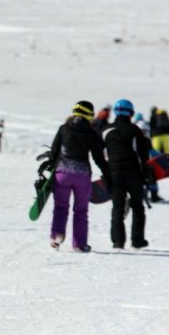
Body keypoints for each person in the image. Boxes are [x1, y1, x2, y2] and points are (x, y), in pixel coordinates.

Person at [48, 101, 111, 252]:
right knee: (81, 210)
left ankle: (56, 235)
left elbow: (54, 151)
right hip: (82, 175)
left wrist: (50, 170)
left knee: (60, 207)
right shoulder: (92, 133)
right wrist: (108, 174)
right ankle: (79, 244)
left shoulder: (63, 129)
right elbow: (98, 157)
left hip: (62, 174)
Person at [101, 99, 150, 249]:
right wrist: (146, 172)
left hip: (114, 173)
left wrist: (106, 173)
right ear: (131, 113)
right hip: (133, 173)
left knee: (117, 207)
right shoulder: (135, 130)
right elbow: (143, 154)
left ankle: (118, 241)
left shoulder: (106, 130)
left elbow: (101, 154)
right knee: (137, 206)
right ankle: (137, 240)